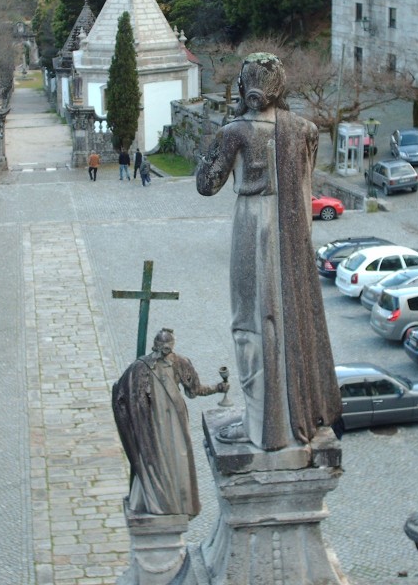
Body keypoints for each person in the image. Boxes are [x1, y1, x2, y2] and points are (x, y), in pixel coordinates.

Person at [196, 53, 342, 451]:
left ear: (244, 86)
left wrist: (214, 139)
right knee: (283, 319)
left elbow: (206, 184)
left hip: (252, 225)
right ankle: (287, 417)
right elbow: (306, 184)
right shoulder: (306, 130)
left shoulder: (235, 132)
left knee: (248, 322)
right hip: (291, 231)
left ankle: (260, 423)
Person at [111, 329, 227, 517]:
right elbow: (126, 392)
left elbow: (194, 390)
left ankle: (179, 502)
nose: (164, 351)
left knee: (176, 456)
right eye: (161, 348)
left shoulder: (180, 362)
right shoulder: (141, 366)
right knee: (154, 454)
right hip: (153, 421)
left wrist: (217, 388)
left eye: (166, 348)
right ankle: (160, 497)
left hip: (174, 419)